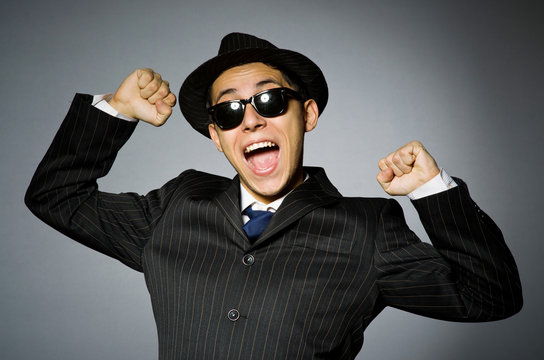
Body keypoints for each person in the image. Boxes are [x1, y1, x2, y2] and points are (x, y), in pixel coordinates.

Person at [25, 32, 522, 359]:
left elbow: (491, 297)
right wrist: (117, 110)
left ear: (305, 116)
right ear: (217, 137)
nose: (252, 119)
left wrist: (432, 193)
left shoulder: (368, 229)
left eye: (268, 100)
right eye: (228, 112)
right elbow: (56, 195)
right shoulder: (176, 207)